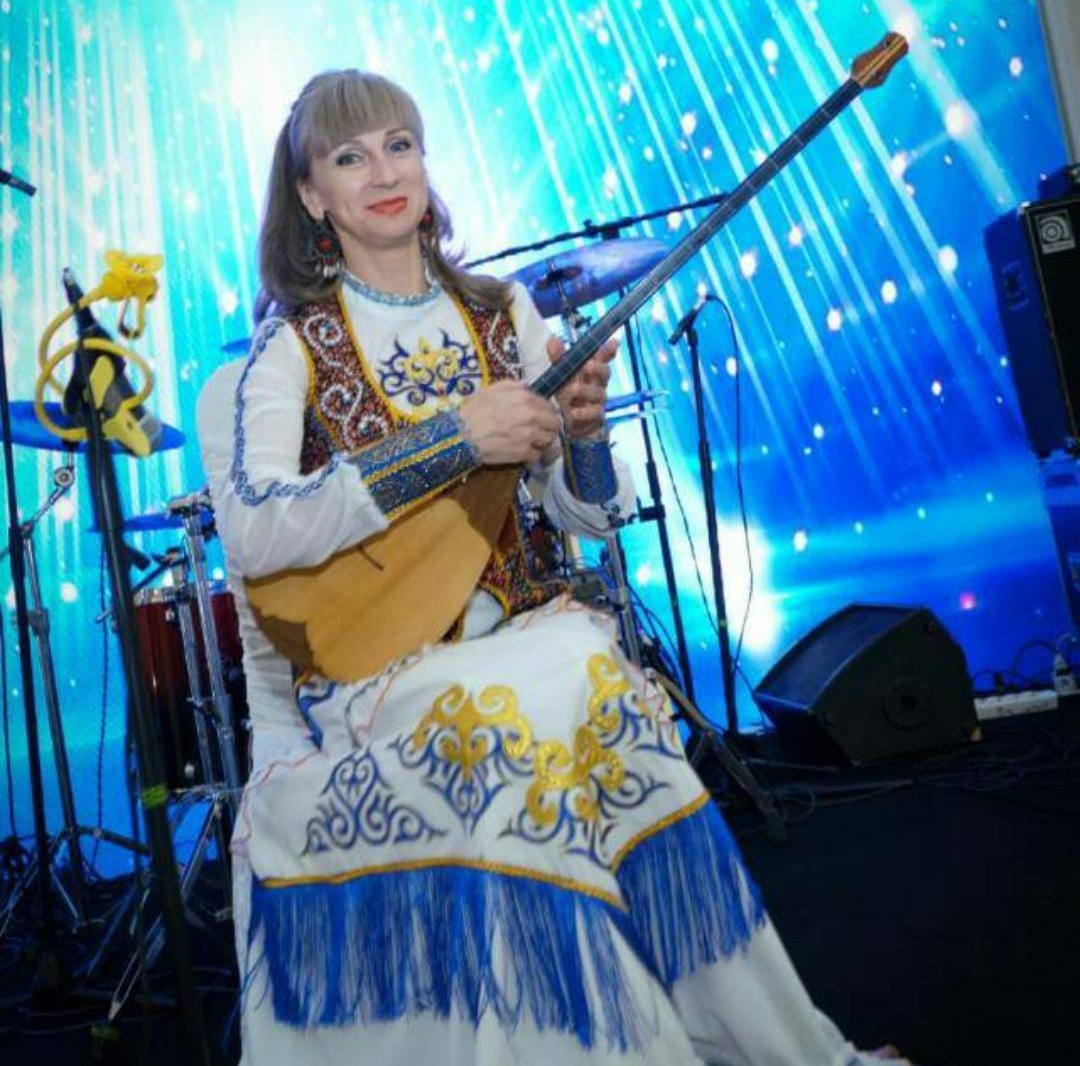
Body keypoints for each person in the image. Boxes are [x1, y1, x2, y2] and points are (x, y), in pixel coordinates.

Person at [197, 68, 907, 1066]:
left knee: (588, 681)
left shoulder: (504, 312)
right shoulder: (291, 347)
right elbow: (256, 532)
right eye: (350, 158)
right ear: (312, 195)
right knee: (545, 690)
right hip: (384, 669)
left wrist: (581, 438)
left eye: (400, 145)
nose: (384, 173)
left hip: (530, 632)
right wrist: (451, 438)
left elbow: (588, 514)